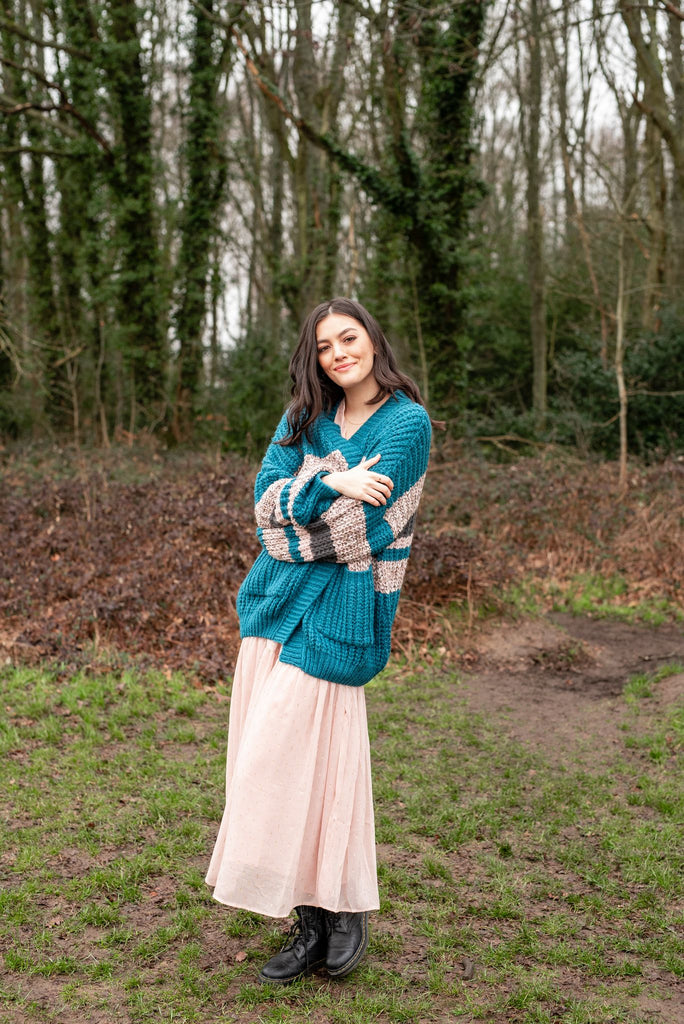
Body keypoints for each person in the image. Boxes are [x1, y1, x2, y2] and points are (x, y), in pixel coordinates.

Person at [205, 297, 432, 985]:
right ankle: (308, 920)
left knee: (302, 768)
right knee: (267, 772)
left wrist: (296, 509)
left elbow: (364, 531)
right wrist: (330, 478)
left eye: (349, 337)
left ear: (372, 339)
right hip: (273, 610)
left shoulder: (406, 424)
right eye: (326, 344)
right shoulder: (304, 417)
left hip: (340, 616)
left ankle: (343, 907)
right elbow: (262, 511)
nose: (339, 353)